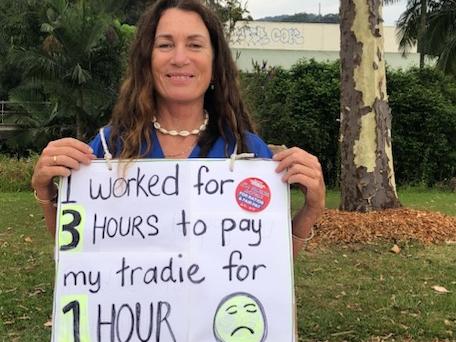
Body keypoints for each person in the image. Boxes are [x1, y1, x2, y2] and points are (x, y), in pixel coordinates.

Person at [31, 0, 325, 258]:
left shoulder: (247, 152)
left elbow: (263, 269)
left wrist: (309, 211)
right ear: (147, 60)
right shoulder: (109, 147)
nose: (180, 58)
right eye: (165, 44)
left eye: (195, 45)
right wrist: (47, 192)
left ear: (214, 63)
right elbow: (80, 256)